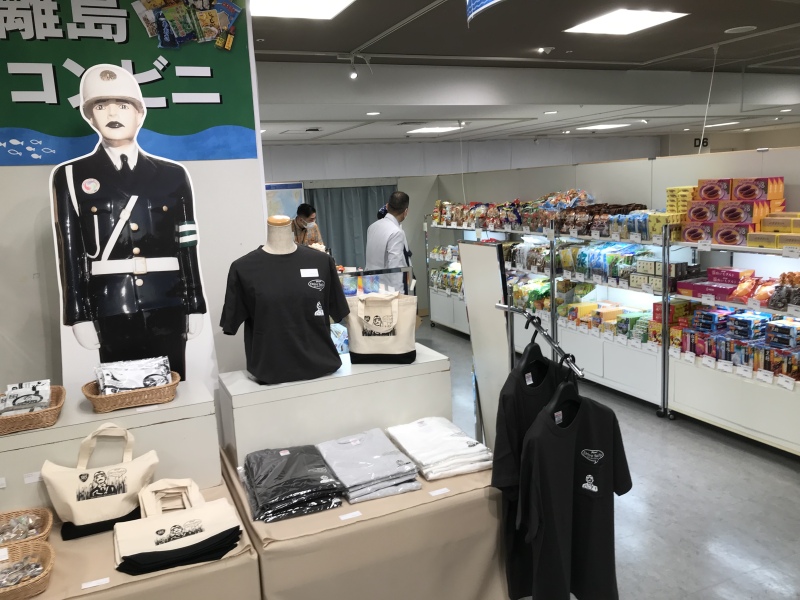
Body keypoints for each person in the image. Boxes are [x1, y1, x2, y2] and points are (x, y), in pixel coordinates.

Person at [50, 64, 207, 380]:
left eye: (123, 105)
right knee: (121, 393)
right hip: (110, 306)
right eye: (100, 106)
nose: (112, 113)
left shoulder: (173, 175)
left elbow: (187, 244)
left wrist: (194, 302)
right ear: (90, 116)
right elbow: (70, 251)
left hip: (168, 300)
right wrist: (78, 314)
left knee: (173, 388)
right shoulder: (70, 176)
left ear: (139, 114)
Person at [365, 191, 412, 293]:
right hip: (387, 290)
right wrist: (400, 294)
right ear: (406, 211)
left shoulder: (372, 227)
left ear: (387, 206)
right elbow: (396, 268)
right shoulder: (396, 232)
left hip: (371, 286)